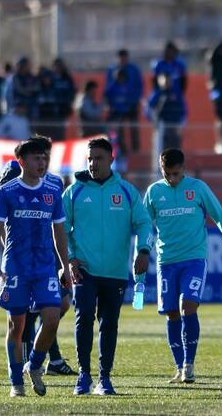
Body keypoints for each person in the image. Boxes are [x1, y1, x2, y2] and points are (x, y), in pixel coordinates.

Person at [141, 148, 222, 384]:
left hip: (194, 260)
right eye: (167, 174)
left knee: (187, 305)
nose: (171, 179)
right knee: (171, 314)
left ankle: (189, 364)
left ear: (184, 169)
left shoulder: (198, 188)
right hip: (166, 262)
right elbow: (143, 226)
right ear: (161, 170)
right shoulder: (153, 192)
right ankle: (179, 367)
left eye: (176, 174)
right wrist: (142, 253)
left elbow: (220, 218)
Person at [63, 138, 152, 395]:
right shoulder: (74, 191)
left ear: (112, 159)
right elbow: (59, 227)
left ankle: (104, 378)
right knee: (83, 318)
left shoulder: (126, 191)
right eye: (90, 158)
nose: (93, 163)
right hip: (84, 270)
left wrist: (143, 251)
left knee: (109, 323)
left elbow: (144, 224)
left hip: (115, 271)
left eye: (99, 158)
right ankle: (83, 376)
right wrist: (70, 258)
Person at [0, 138, 71, 397]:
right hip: (16, 268)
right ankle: (16, 382)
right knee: (16, 325)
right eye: (37, 158)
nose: (42, 163)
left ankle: (34, 365)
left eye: (44, 158)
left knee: (52, 317)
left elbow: (59, 232)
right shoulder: (6, 192)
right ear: (22, 161)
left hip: (45, 267)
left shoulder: (52, 192)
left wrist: (65, 267)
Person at [105, 50, 144, 155]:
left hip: (132, 105)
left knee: (134, 128)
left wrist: (133, 101)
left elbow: (139, 87)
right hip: (117, 108)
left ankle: (136, 151)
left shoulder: (134, 69)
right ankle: (122, 150)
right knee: (119, 130)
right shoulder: (112, 69)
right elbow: (108, 90)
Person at [147, 73, 186, 153]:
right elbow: (149, 109)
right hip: (161, 127)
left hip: (175, 126)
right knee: (161, 150)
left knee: (175, 150)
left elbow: (184, 110)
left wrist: (181, 124)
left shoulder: (176, 93)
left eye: (169, 80)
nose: (167, 82)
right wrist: (155, 121)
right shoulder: (157, 94)